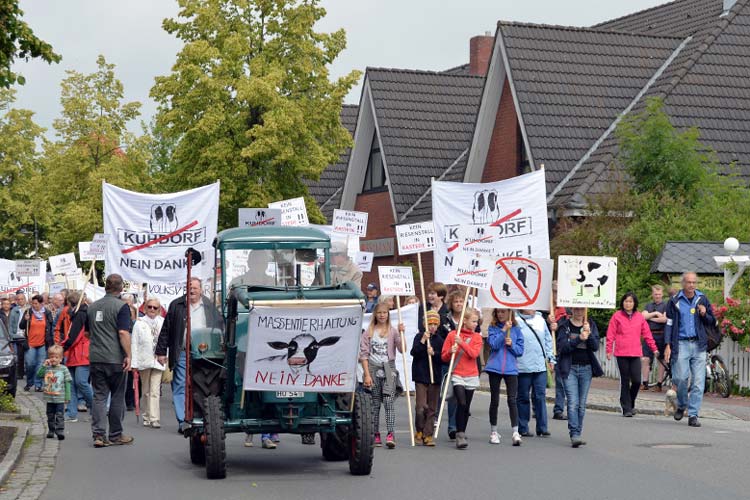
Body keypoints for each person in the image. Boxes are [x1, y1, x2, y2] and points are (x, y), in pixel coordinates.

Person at [156, 277, 223, 433]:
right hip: (182, 350)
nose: (192, 290)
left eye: (195, 288)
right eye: (189, 287)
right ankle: (182, 420)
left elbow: (219, 326)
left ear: (201, 290)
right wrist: (161, 351)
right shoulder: (177, 305)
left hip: (204, 352)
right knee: (180, 384)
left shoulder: (209, 306)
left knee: (203, 385)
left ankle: (203, 417)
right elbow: (166, 329)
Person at [86, 274, 134, 447]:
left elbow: (87, 333)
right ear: (121, 288)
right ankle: (115, 434)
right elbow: (123, 332)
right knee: (117, 396)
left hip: (96, 357)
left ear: (106, 286)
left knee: (99, 396)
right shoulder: (122, 307)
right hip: (115, 358)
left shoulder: (92, 307)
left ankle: (98, 435)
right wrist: (128, 355)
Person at [664, 272, 715, 428]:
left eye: (694, 282)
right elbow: (669, 324)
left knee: (698, 383)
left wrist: (705, 313)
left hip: (699, 345)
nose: (691, 285)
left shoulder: (702, 299)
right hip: (681, 344)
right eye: (689, 282)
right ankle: (681, 404)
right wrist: (667, 344)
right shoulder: (674, 301)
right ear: (683, 283)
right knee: (680, 378)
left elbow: (712, 321)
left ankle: (693, 414)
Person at [552, 307, 603, 447]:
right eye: (577, 309)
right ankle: (574, 433)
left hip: (586, 368)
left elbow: (594, 346)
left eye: (582, 309)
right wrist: (579, 339)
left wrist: (589, 334)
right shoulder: (565, 326)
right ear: (572, 309)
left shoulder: (590, 324)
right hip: (570, 368)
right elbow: (563, 348)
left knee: (581, 404)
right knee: (573, 402)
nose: (579, 311)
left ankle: (578, 432)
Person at [359, 302, 405, 449]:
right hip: (373, 369)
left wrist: (402, 334)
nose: (382, 315)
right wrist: (367, 375)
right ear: (375, 315)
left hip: (388, 369)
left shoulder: (393, 331)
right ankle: (375, 433)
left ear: (388, 314)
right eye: (379, 312)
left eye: (385, 312)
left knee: (388, 401)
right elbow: (364, 355)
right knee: (375, 403)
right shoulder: (369, 332)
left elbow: (402, 349)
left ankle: (390, 433)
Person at [606, 292, 658, 417]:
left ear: (634, 303)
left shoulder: (639, 317)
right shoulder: (617, 316)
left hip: (635, 353)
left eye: (630, 301)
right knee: (625, 380)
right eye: (626, 301)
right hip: (621, 352)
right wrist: (608, 349)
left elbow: (647, 334)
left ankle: (630, 401)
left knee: (636, 381)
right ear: (622, 302)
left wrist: (654, 348)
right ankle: (626, 407)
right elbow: (610, 333)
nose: (628, 304)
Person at [441, 307, 482, 450]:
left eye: (477, 321)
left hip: (471, 375)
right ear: (465, 321)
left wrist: (462, 343)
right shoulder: (452, 334)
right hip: (457, 374)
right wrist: (450, 351)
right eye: (473, 321)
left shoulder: (477, 337)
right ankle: (459, 434)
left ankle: (462, 431)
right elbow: (444, 356)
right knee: (461, 403)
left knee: (467, 407)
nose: (476, 324)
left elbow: (474, 354)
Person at [485, 308, 524, 446]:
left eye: (503, 312)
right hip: (495, 367)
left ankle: (515, 431)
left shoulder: (517, 330)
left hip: (511, 369)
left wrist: (512, 345)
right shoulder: (493, 328)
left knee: (512, 400)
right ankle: (494, 431)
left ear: (509, 313)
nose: (500, 314)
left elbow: (520, 351)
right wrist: (503, 332)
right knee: (494, 400)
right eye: (498, 312)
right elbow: (493, 345)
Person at [516, 309, 555, 437]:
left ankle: (542, 427)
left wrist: (551, 358)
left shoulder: (540, 320)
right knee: (523, 397)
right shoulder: (515, 320)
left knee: (540, 396)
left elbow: (548, 341)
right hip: (522, 365)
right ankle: (523, 427)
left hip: (539, 365)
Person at [410, 309, 444, 447]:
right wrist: (423, 341)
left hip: (434, 377)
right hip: (421, 376)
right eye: (430, 324)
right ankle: (419, 429)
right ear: (425, 324)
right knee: (421, 406)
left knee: (432, 407)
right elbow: (414, 352)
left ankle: (428, 434)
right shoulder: (419, 337)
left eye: (435, 324)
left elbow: (443, 358)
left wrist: (434, 353)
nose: (432, 327)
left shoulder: (439, 340)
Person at [131, 297, 165, 428]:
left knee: (155, 390)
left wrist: (166, 355)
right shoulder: (139, 323)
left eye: (155, 307)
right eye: (149, 307)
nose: (152, 309)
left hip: (159, 360)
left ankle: (155, 418)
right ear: (145, 308)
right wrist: (134, 364)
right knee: (146, 390)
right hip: (144, 360)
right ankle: (146, 415)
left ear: (159, 310)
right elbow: (134, 343)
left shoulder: (163, 322)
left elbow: (167, 341)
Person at [61, 292, 93, 423]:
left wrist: (63, 347)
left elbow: (75, 336)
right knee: (72, 384)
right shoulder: (81, 313)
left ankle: (96, 407)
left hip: (81, 352)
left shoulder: (80, 314)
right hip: (76, 353)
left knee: (80, 382)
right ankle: (71, 412)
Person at [437, 289, 465, 440]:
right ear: (451, 304)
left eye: (461, 301)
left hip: (464, 362)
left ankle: (460, 425)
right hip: (449, 361)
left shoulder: (468, 319)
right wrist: (449, 348)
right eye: (456, 301)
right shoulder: (444, 320)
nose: (459, 304)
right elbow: (441, 339)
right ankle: (452, 426)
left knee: (462, 396)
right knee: (451, 394)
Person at [19, 295, 54, 392]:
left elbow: (50, 327)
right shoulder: (28, 312)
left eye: (36, 304)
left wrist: (51, 341)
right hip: (30, 343)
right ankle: (30, 382)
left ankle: (38, 384)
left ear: (41, 303)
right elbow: (21, 326)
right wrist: (25, 320)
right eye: (32, 303)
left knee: (40, 365)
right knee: (30, 364)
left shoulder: (46, 313)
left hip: (42, 343)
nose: (34, 306)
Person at [36, 345, 72, 440]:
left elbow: (68, 383)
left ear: (61, 359)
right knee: (50, 415)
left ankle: (59, 431)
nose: (53, 359)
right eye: (51, 357)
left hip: (60, 398)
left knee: (60, 415)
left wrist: (67, 396)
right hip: (50, 398)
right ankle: (51, 430)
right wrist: (44, 366)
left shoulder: (64, 369)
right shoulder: (47, 368)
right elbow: (39, 375)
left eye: (56, 357)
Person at [550, 280, 570, 421]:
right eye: (554, 292)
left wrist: (558, 325)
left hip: (561, 349)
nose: (557, 295)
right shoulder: (546, 310)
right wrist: (548, 321)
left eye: (559, 292)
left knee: (561, 380)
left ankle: (559, 408)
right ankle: (535, 407)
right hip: (546, 348)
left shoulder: (566, 311)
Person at [642, 284, 668, 391]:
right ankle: (645, 383)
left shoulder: (666, 305)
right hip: (649, 335)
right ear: (652, 294)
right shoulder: (648, 305)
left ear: (662, 294)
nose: (657, 296)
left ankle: (659, 384)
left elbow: (664, 319)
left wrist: (650, 317)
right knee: (645, 359)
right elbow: (643, 316)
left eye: (659, 294)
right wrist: (656, 313)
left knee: (661, 360)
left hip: (661, 335)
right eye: (655, 294)